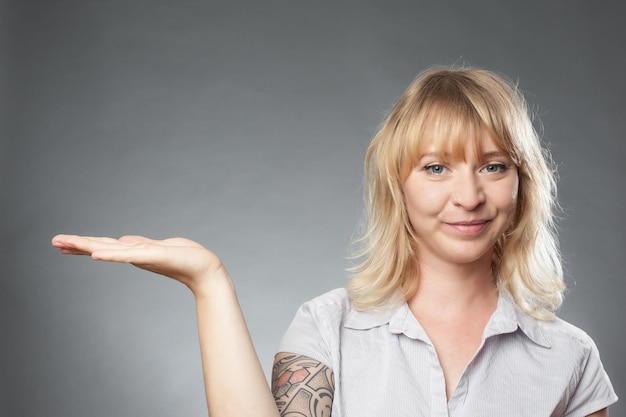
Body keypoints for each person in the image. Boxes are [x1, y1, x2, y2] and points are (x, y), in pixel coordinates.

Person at [52, 67, 617, 416]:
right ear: (398, 184)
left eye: (493, 166)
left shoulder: (571, 358)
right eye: (437, 168)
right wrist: (209, 281)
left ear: (523, 182)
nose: (468, 196)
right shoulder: (327, 327)